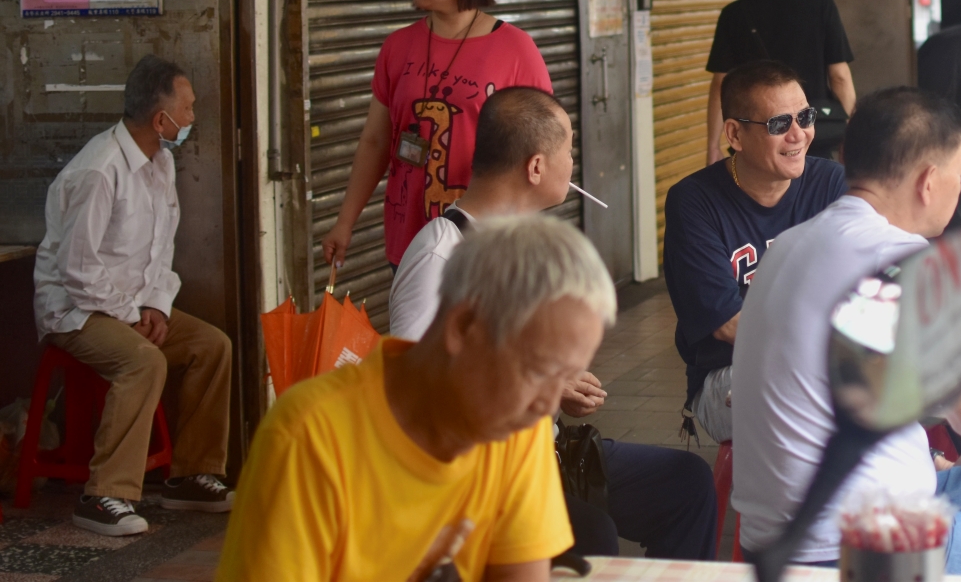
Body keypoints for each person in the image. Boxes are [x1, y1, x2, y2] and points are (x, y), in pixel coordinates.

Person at [733, 88, 961, 579]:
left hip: (774, 532)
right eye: (958, 178)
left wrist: (935, 459)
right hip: (849, 543)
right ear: (928, 182)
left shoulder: (789, 245)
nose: (960, 192)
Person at [389, 86, 717, 561]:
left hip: (549, 450)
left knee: (686, 484)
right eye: (568, 149)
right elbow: (415, 391)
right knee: (589, 535)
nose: (573, 162)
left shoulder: (523, 245)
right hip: (482, 475)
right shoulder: (440, 254)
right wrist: (537, 385)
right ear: (536, 167)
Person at [218, 217, 610, 579]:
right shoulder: (310, 437)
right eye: (540, 371)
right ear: (464, 326)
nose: (548, 404)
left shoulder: (517, 428)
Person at [33, 55, 233, 536]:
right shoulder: (100, 171)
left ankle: (190, 475)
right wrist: (129, 315)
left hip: (132, 304)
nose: (191, 119)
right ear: (159, 118)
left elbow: (161, 251)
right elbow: (77, 270)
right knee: (144, 362)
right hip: (78, 310)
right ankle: (104, 495)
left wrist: (156, 306)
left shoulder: (159, 163)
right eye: (186, 110)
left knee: (213, 347)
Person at [322, 0, 554, 272]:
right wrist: (345, 221)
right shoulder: (397, 47)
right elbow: (375, 141)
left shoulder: (516, 49)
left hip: (485, 242)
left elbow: (547, 150)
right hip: (410, 239)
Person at [665, 60, 847, 445]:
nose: (799, 135)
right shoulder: (694, 201)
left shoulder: (831, 183)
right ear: (735, 134)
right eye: (780, 125)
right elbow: (728, 323)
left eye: (805, 117)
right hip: (729, 373)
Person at [705, 0, 856, 163]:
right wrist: (851, 135)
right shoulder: (820, 5)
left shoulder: (734, 13)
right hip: (810, 138)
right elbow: (839, 77)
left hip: (756, 140)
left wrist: (712, 146)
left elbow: (720, 84)